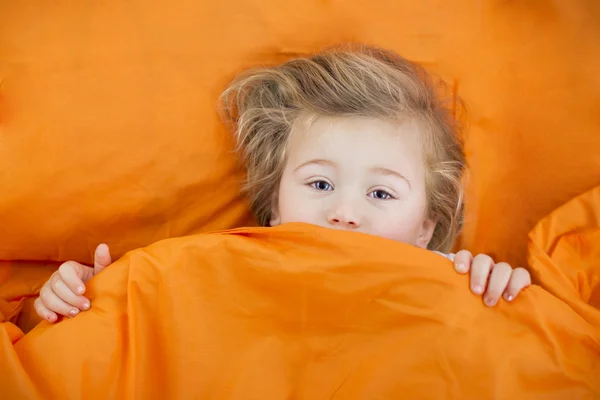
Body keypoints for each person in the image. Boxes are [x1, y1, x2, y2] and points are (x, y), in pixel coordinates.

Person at [34, 44, 531, 323]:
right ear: (274, 205)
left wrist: (505, 291)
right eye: (319, 184)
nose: (345, 212)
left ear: (426, 228)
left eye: (380, 193)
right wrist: (66, 304)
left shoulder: (457, 281)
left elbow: (523, 348)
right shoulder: (215, 267)